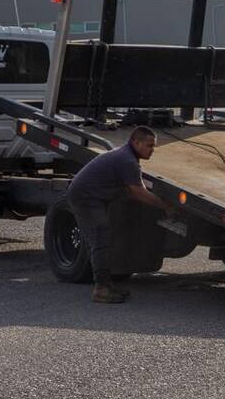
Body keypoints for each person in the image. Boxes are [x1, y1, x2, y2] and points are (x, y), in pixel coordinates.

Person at [67, 126, 173, 303]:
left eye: (153, 146)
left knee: (104, 237)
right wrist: (164, 206)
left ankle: (107, 284)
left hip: (94, 196)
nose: (152, 150)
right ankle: (101, 289)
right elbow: (138, 192)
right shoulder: (127, 160)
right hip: (85, 198)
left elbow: (136, 189)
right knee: (100, 238)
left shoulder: (127, 156)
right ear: (136, 142)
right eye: (149, 146)